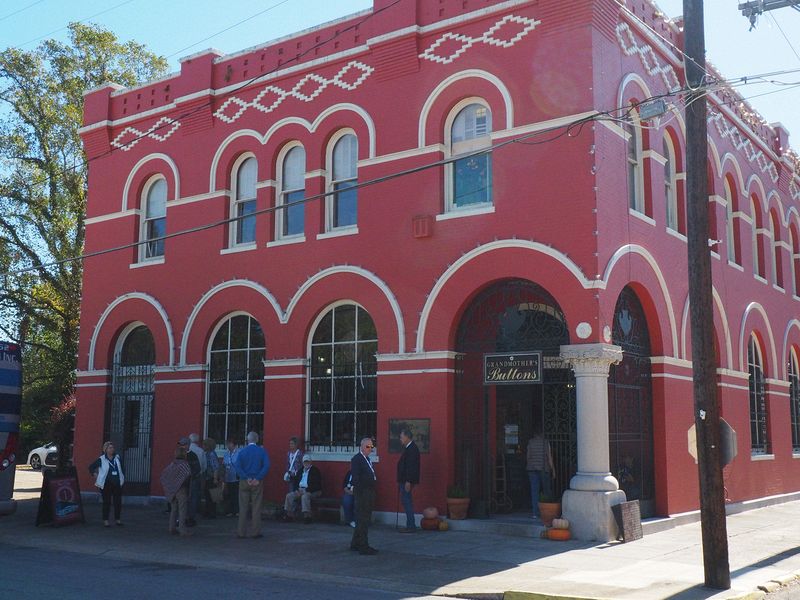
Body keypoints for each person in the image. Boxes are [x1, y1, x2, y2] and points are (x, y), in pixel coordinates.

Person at [234, 431, 270, 538]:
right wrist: (258, 478)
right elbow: (267, 466)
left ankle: (241, 532)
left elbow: (237, 466)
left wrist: (246, 477)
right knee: (256, 507)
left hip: (245, 481)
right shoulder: (261, 451)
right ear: (257, 440)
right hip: (257, 480)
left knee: (243, 507)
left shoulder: (242, 451)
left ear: (247, 439)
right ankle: (255, 532)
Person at [350, 437, 378, 555]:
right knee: (363, 519)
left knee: (363, 518)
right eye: (367, 446)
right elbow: (356, 478)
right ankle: (363, 545)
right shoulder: (357, 459)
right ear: (361, 447)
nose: (370, 449)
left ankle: (355, 543)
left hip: (368, 491)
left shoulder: (367, 459)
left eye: (371, 447)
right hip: (362, 493)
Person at [89, 441, 125, 527]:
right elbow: (91, 467)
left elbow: (122, 468)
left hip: (117, 483)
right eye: (110, 448)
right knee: (107, 502)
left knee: (118, 502)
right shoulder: (101, 459)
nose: (112, 449)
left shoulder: (117, 458)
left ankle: (118, 519)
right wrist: (94, 474)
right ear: (105, 449)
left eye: (113, 447)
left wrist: (122, 477)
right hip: (106, 484)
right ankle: (106, 520)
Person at [160, 445, 192, 536]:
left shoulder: (172, 464)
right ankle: (182, 530)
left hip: (172, 490)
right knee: (182, 510)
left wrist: (170, 485)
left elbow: (164, 475)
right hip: (181, 489)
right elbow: (187, 476)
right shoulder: (185, 464)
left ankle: (171, 528)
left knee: (173, 509)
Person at [283, 454, 322, 524]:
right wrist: (297, 489)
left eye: (307, 462)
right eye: (305, 462)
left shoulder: (315, 471)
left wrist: (306, 490)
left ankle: (307, 516)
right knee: (289, 496)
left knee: (305, 497)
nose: (306, 463)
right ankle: (289, 515)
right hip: (300, 489)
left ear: (310, 462)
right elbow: (296, 481)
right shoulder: (300, 471)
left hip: (312, 491)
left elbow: (316, 484)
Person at [526, 426, 555, 519]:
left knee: (534, 491)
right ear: (542, 433)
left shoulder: (530, 442)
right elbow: (549, 457)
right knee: (546, 490)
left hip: (532, 468)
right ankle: (548, 512)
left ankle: (535, 513)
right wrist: (553, 469)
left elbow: (528, 456)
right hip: (543, 468)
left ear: (534, 434)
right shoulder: (545, 442)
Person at [396, 428, 420, 533]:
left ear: (407, 437)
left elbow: (411, 467)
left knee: (407, 501)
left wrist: (408, 481)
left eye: (401, 437)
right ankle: (410, 524)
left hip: (407, 480)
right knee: (406, 501)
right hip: (404, 479)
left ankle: (411, 525)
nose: (400, 439)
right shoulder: (409, 448)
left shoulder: (412, 449)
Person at [178, 436, 202, 527]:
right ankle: (182, 518)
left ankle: (190, 518)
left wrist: (190, 475)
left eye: (183, 444)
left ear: (187, 445)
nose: (181, 446)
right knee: (183, 501)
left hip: (191, 481)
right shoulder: (180, 454)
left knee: (192, 499)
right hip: (182, 481)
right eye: (180, 444)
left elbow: (197, 469)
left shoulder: (192, 455)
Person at [187, 433, 205, 524]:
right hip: (197, 475)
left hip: (185, 476)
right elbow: (204, 466)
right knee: (194, 496)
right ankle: (192, 516)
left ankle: (184, 515)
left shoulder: (186, 450)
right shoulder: (200, 451)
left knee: (185, 496)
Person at [202, 437, 221, 518]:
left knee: (212, 496)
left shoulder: (211, 454)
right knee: (208, 496)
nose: (203, 446)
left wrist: (215, 478)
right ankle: (208, 512)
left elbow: (215, 467)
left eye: (204, 445)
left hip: (211, 478)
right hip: (208, 477)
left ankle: (211, 513)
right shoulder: (207, 454)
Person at [222, 438, 240, 517]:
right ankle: (229, 510)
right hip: (228, 476)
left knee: (236, 494)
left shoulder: (239, 452)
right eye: (227, 444)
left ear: (234, 444)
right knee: (228, 494)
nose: (228, 445)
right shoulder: (226, 453)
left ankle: (237, 511)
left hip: (236, 476)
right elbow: (224, 464)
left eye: (230, 444)